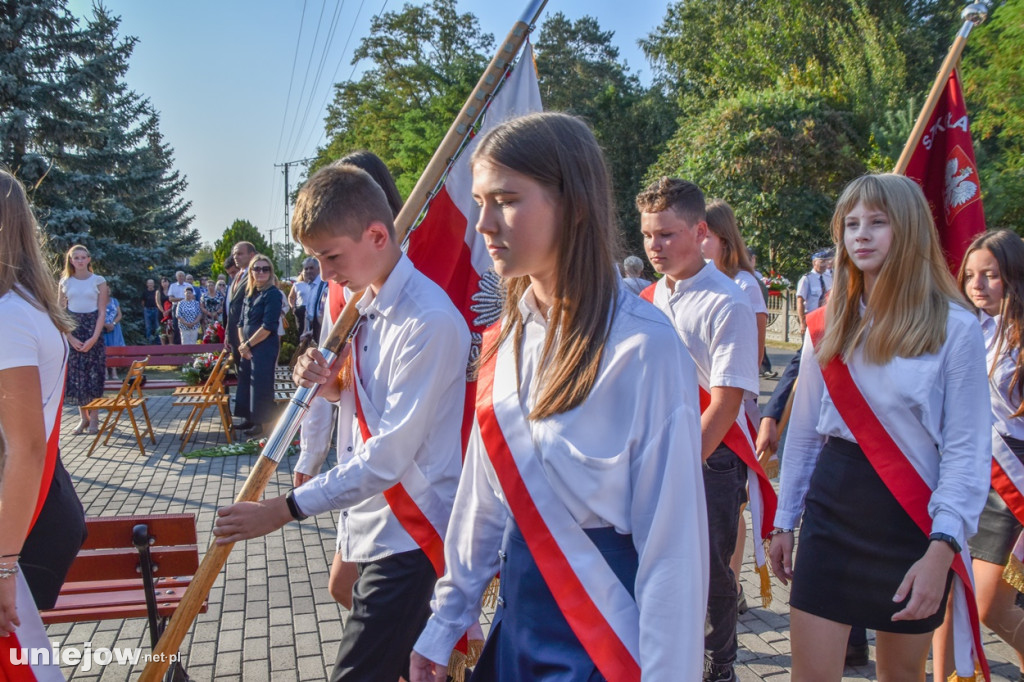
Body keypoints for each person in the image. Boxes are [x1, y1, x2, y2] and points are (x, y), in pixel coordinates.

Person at [410, 113, 708, 681]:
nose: (484, 225)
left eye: (507, 200)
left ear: (572, 204)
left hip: (606, 633)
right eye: (480, 201)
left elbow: (673, 553)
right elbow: (483, 503)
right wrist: (444, 623)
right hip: (520, 618)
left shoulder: (644, 347)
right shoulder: (505, 341)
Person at [214, 162, 470, 682]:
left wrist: (284, 510)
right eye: (317, 259)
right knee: (406, 663)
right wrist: (328, 381)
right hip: (372, 516)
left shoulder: (429, 320)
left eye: (330, 257)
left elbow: (389, 455)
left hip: (410, 529)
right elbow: (356, 401)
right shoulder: (364, 303)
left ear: (378, 234)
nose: (325, 274)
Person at [768, 173, 991, 681]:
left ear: (909, 230)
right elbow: (802, 434)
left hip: (911, 517)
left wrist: (943, 549)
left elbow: (965, 452)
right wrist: (784, 521)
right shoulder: (827, 324)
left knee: (899, 677)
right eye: (850, 224)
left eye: (877, 222)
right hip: (833, 503)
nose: (860, 235)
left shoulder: (955, 328)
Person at [637, 177, 764, 682]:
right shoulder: (648, 297)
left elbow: (727, 401)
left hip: (708, 459)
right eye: (648, 235)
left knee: (710, 569)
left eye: (666, 234)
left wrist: (683, 468)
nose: (655, 246)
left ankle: (721, 667)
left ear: (700, 230)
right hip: (654, 455)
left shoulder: (727, 301)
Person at [293, 149, 405, 612]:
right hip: (355, 450)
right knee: (347, 589)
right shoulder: (339, 282)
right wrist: (315, 378)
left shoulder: (414, 283)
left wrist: (290, 505)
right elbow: (337, 382)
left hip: (403, 467)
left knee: (373, 599)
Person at [0, 169, 88, 680]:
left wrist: (3, 567)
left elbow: (26, 448)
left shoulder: (9, 315)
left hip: (12, 525)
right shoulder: (25, 307)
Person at [933, 230, 1024, 680]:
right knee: (946, 592)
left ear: (1014, 276)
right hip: (964, 471)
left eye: (990, 275)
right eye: (970, 275)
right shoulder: (962, 326)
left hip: (1011, 478)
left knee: (991, 607)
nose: (977, 285)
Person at [59, 244, 109, 435]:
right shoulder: (65, 282)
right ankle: (83, 419)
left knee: (93, 375)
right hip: (73, 329)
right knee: (77, 377)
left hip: (92, 328)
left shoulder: (98, 281)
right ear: (71, 260)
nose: (79, 261)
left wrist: (94, 338)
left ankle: (95, 419)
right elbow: (60, 312)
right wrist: (70, 337)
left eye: (83, 257)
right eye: (76, 257)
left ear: (88, 259)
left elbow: (102, 311)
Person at [232, 254, 283, 437]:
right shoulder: (250, 293)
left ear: (270, 272)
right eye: (257, 268)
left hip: (263, 347)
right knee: (246, 383)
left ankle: (262, 424)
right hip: (247, 348)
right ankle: (249, 418)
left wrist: (248, 344)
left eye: (265, 268)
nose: (261, 272)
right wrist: (242, 346)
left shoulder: (273, 294)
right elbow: (240, 323)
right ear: (251, 272)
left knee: (261, 386)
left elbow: (269, 326)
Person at [227, 241, 256, 425]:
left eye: (240, 254)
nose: (236, 257)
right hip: (235, 335)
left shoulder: (254, 275)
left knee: (250, 376)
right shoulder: (237, 275)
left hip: (247, 335)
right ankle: (247, 416)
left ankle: (255, 419)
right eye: (235, 254)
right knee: (242, 376)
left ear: (251, 255)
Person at [795, 250, 830, 338]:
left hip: (826, 317)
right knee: (809, 347)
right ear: (814, 262)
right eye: (822, 262)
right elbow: (800, 301)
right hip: (811, 317)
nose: (824, 265)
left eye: (826, 262)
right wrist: (802, 322)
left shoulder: (829, 278)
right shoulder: (807, 279)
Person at [102, 289, 125, 380]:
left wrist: (113, 324)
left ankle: (114, 371)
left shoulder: (114, 301)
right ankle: (105, 372)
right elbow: (95, 315)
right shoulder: (98, 301)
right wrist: (105, 325)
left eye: (108, 290)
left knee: (114, 348)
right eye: (105, 290)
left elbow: (119, 315)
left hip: (114, 329)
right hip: (103, 329)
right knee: (104, 349)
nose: (107, 291)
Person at [142, 278, 160, 345]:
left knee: (157, 326)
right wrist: (145, 308)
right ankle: (149, 342)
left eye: (151, 283)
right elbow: (143, 302)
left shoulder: (156, 292)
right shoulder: (145, 292)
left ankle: (158, 342)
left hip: (156, 310)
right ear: (147, 284)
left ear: (153, 284)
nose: (150, 284)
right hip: (147, 310)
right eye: (149, 283)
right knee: (148, 327)